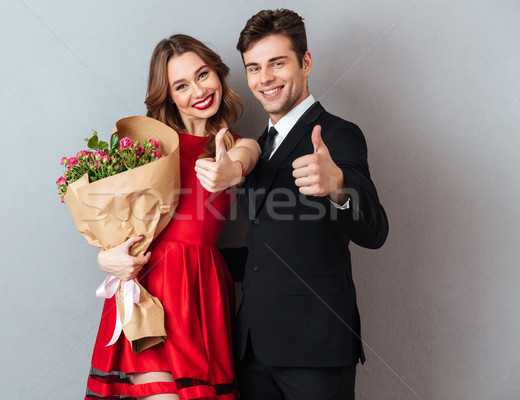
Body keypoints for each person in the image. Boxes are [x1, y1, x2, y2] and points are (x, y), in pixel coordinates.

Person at [85, 34, 261, 400]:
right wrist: (106, 256)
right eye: (181, 85)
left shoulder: (233, 144)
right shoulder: (148, 151)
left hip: (202, 292)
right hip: (151, 292)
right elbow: (115, 230)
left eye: (203, 74)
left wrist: (232, 168)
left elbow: (249, 151)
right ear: (168, 96)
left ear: (218, 72)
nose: (198, 90)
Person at [233, 9, 389, 400]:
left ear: (305, 62)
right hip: (252, 349)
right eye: (253, 68)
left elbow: (375, 231)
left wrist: (338, 185)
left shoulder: (338, 134)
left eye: (277, 63)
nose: (264, 78)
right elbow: (263, 253)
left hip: (316, 348)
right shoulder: (256, 147)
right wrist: (181, 260)